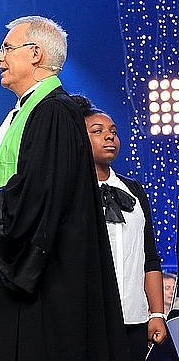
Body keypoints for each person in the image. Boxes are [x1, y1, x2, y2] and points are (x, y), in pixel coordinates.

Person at [0, 16, 130, 360]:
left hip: (38, 285)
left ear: (35, 54)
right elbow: (21, 186)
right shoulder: (27, 111)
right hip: (10, 269)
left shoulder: (54, 111)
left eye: (7, 49)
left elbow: (40, 197)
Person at [72, 94, 166, 359]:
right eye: (98, 131)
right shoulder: (71, 190)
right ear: (79, 138)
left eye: (113, 132)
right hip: (88, 317)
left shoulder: (134, 190)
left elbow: (150, 256)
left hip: (134, 317)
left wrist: (156, 313)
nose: (109, 137)